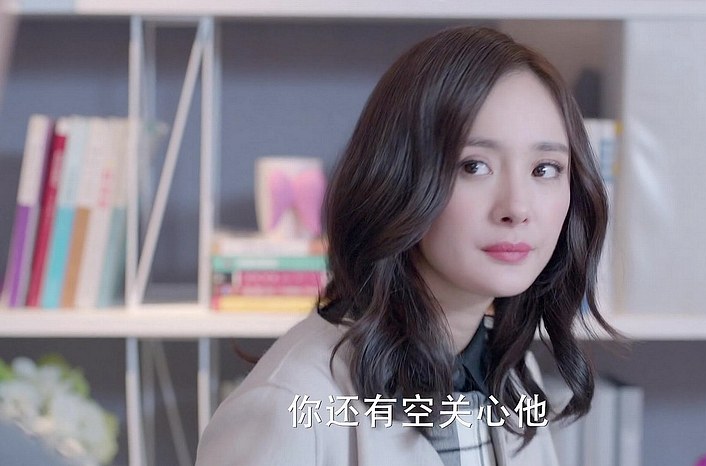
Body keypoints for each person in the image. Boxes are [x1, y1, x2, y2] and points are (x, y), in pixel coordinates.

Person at [196, 25, 615, 466]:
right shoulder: (289, 406)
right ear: (398, 176)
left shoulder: (512, 375)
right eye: (474, 166)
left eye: (545, 169)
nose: (517, 208)